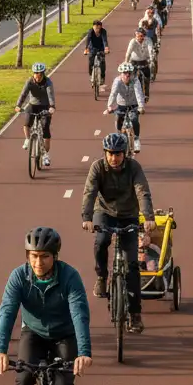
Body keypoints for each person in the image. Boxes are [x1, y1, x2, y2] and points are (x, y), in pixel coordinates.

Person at [0, 227, 92, 385]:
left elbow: (79, 314)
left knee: (63, 384)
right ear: (27, 256)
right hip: (33, 333)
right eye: (33, 256)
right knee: (23, 378)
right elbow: (7, 311)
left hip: (64, 335)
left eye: (44, 256)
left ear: (55, 256)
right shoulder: (18, 276)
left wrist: (84, 353)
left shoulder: (70, 276)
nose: (38, 261)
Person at [80, 133, 156, 333]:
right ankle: (102, 277)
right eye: (110, 153)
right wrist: (86, 218)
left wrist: (148, 217)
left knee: (132, 266)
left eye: (118, 154)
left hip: (129, 215)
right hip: (104, 212)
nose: (114, 158)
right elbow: (90, 192)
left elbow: (142, 191)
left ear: (125, 153)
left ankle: (135, 314)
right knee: (101, 240)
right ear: (105, 153)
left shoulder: (134, 168)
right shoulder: (97, 167)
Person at [15, 62, 55, 167]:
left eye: (40, 74)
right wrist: (18, 105)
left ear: (43, 74)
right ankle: (28, 139)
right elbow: (23, 94)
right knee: (27, 122)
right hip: (32, 105)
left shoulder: (48, 82)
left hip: (45, 106)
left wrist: (52, 107)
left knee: (45, 128)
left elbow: (50, 95)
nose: (37, 76)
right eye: (36, 73)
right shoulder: (29, 82)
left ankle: (46, 155)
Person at [103, 61, 145, 150]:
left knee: (134, 119)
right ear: (121, 74)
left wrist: (141, 107)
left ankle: (137, 139)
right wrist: (109, 106)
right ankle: (119, 134)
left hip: (133, 105)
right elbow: (113, 94)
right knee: (118, 118)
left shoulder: (135, 81)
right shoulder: (117, 81)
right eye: (125, 73)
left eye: (129, 73)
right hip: (121, 104)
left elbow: (139, 93)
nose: (127, 75)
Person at [125, 27, 153, 101]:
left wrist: (152, 60)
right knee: (129, 77)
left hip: (144, 60)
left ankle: (146, 94)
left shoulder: (148, 40)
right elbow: (128, 53)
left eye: (141, 36)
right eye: (137, 36)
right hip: (134, 61)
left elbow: (151, 51)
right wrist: (126, 62)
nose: (139, 38)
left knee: (147, 78)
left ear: (144, 36)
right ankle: (130, 92)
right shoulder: (133, 42)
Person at [84, 19, 110, 91]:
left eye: (99, 28)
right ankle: (91, 75)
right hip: (92, 48)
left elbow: (105, 40)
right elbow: (88, 40)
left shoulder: (103, 31)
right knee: (90, 62)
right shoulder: (90, 31)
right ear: (93, 27)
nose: (97, 30)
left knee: (102, 63)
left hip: (101, 48)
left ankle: (102, 78)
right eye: (96, 28)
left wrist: (106, 48)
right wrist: (86, 49)